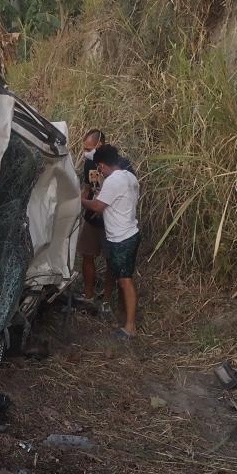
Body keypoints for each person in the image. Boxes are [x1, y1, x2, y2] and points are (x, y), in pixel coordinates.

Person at [80, 144, 140, 339]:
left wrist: (82, 201)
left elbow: (97, 206)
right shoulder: (129, 177)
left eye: (99, 167)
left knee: (125, 280)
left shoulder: (113, 181)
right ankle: (126, 319)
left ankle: (130, 327)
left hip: (121, 237)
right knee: (123, 278)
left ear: (103, 166)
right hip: (128, 233)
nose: (99, 171)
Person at [74, 129, 114, 307]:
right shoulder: (89, 164)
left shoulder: (114, 165)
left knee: (110, 260)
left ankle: (106, 299)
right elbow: (88, 187)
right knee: (87, 254)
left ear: (101, 145)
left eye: (89, 148)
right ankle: (88, 295)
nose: (86, 152)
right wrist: (80, 206)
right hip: (92, 217)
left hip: (110, 221)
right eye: (84, 148)